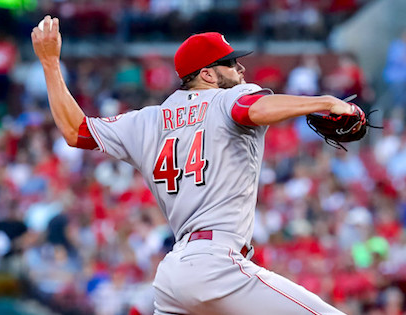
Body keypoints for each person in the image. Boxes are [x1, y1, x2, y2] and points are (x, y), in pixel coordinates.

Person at [32, 15, 356, 314]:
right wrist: (325, 101)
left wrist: (49, 64)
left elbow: (77, 131)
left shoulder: (148, 120)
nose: (241, 70)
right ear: (207, 74)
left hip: (173, 276)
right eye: (231, 63)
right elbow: (250, 109)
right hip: (218, 264)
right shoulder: (228, 98)